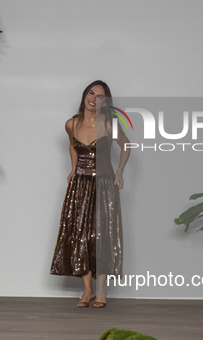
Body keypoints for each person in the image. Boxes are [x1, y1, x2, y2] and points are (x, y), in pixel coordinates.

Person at [50, 80, 130, 308]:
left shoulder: (108, 123)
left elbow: (126, 145)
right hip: (79, 185)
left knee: (102, 235)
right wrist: (73, 168)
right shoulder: (71, 124)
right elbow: (73, 146)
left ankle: (102, 290)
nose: (94, 98)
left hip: (104, 184)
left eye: (100, 96)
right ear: (85, 94)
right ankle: (87, 290)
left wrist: (120, 171)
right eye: (91, 93)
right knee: (81, 234)